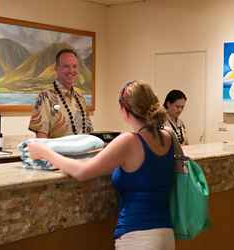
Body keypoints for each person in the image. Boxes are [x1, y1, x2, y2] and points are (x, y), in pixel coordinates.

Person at [28, 80, 176, 250]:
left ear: (124, 110)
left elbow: (82, 172)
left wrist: (44, 151)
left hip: (138, 236)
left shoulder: (129, 141)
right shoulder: (168, 137)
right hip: (166, 234)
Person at [29, 49, 93, 138]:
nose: (71, 70)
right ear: (56, 68)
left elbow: (89, 132)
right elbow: (41, 138)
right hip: (56, 152)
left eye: (74, 66)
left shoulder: (80, 96)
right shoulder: (45, 96)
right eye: (66, 66)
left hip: (83, 151)